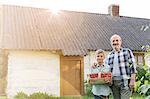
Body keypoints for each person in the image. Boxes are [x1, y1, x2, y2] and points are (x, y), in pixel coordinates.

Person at [106, 34, 137, 99]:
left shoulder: (127, 51)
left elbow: (133, 67)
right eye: (113, 41)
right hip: (114, 82)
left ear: (120, 41)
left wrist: (132, 80)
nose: (115, 42)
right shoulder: (110, 55)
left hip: (125, 81)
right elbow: (106, 68)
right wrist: (95, 65)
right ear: (111, 43)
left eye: (117, 40)